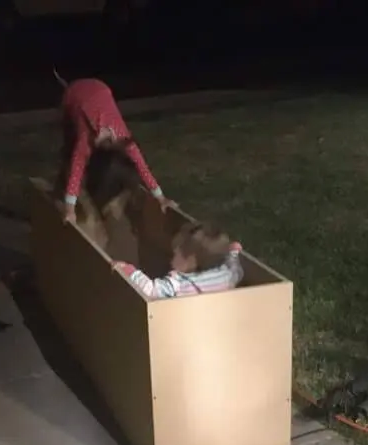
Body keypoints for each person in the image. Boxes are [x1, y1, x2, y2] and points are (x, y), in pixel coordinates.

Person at [56, 75, 174, 225]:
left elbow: (141, 166)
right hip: (74, 96)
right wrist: (69, 209)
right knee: (70, 152)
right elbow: (76, 170)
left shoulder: (123, 136)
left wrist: (160, 197)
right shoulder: (84, 140)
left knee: (105, 162)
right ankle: (61, 187)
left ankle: (97, 178)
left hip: (101, 89)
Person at [112, 222, 244, 299]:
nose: (172, 255)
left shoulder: (180, 285)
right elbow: (235, 267)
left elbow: (150, 290)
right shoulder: (227, 275)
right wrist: (233, 251)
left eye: (176, 253)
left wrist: (127, 270)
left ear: (191, 261)